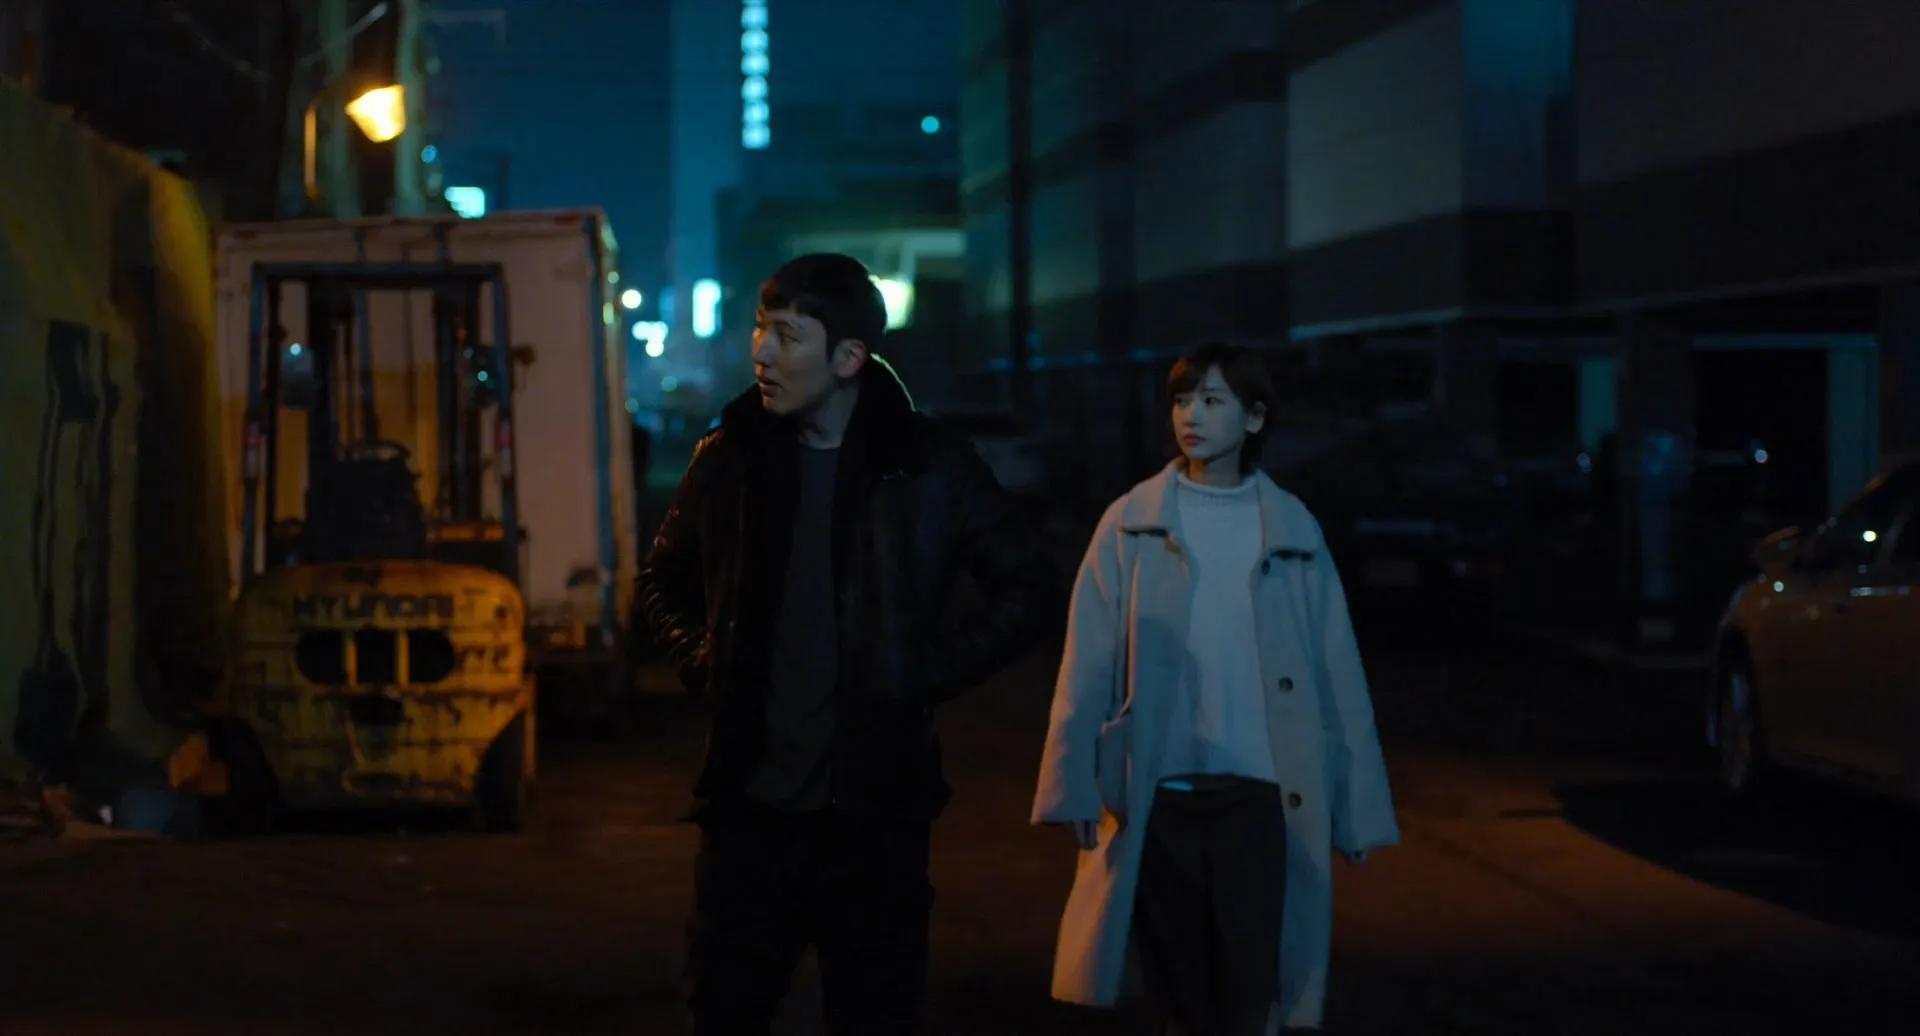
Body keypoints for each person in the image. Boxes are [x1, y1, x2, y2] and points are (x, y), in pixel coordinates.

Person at [635, 252, 1052, 1034]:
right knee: (723, 1011)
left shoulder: (924, 466)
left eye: (788, 336)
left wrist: (922, 670)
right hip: (748, 816)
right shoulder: (729, 460)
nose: (762, 352)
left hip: (875, 822)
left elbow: (1028, 585)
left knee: (873, 1015)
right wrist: (704, 660)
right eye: (761, 330)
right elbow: (661, 579)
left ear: (848, 358)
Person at [1031, 342, 1399, 1034]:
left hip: (1262, 795)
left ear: (1254, 417)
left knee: (1249, 987)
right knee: (1179, 991)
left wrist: (1357, 809)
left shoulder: (1291, 529)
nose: (1190, 416)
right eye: (1181, 400)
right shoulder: (1129, 522)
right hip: (1160, 793)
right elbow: (1087, 665)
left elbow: (1337, 676)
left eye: (1211, 400)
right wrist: (1072, 783)